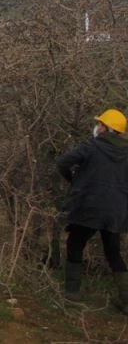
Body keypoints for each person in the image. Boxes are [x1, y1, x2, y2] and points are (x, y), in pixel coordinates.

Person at [57, 108, 128, 309]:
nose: (97, 126)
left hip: (88, 206)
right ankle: (126, 301)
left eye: (100, 124)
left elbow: (63, 163)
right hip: (116, 211)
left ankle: (72, 294)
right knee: (113, 252)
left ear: (105, 128)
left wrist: (75, 181)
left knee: (75, 243)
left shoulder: (92, 146)